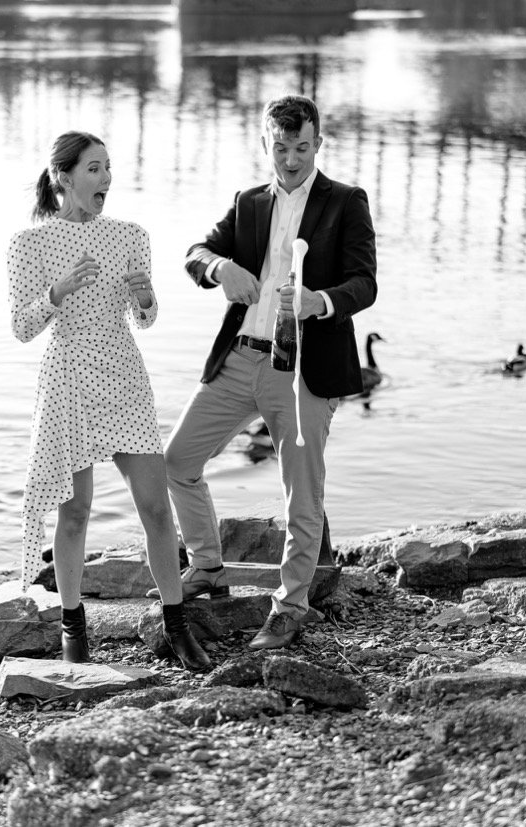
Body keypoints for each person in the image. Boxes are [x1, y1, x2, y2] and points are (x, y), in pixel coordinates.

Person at [162, 94, 379, 650]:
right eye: (280, 148)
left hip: (304, 366)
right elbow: (194, 251)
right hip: (240, 357)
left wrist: (319, 301)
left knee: (300, 494)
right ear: (266, 144)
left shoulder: (346, 201)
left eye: (301, 148)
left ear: (318, 144)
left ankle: (291, 605)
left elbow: (365, 284)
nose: (290, 160)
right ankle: (207, 565)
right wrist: (218, 267)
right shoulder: (249, 202)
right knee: (177, 462)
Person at [9, 130, 211, 672]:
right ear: (64, 177)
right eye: (94, 169)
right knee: (74, 512)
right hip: (69, 375)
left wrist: (145, 298)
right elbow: (21, 327)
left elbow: (143, 317)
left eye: (107, 168)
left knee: (155, 507)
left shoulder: (129, 235)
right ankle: (73, 630)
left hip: (122, 373)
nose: (105, 179)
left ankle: (176, 626)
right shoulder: (27, 245)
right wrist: (57, 293)